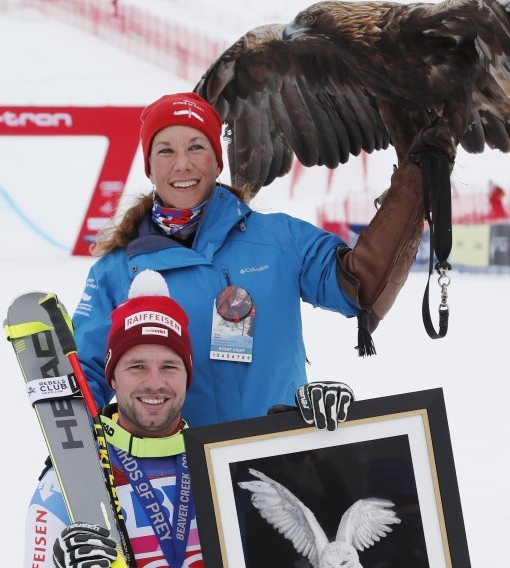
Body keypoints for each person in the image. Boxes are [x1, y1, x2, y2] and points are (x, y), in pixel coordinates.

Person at [72, 92, 426, 426]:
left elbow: (359, 286)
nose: (182, 164)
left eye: (196, 147)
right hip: (178, 476)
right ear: (149, 168)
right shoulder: (118, 270)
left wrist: (414, 180)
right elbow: (88, 377)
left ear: (216, 162)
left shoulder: (280, 240)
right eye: (165, 151)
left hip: (276, 464)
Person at [26, 270, 354, 567]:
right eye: (136, 366)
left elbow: (312, 540)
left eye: (169, 366)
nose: (154, 382)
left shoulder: (226, 466)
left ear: (187, 376)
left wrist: (317, 438)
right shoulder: (69, 482)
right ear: (112, 378)